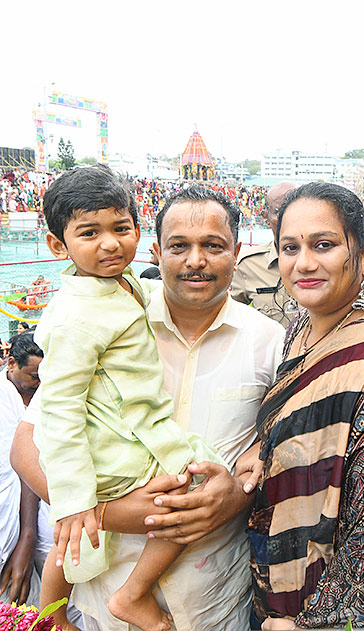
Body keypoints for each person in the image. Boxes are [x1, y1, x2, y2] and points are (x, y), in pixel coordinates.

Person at [12, 183, 284, 631]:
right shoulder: (109, 320)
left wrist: (234, 495)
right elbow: (27, 444)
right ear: (156, 251)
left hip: (214, 600)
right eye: (179, 246)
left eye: (213, 246)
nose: (195, 259)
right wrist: (107, 513)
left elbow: (272, 446)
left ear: (237, 250)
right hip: (104, 595)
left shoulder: (269, 342)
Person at [35, 166, 228, 631]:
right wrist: (75, 497)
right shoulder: (75, 315)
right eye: (89, 233)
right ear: (58, 245)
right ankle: (131, 595)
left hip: (126, 432)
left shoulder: (125, 286)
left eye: (120, 229)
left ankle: (50, 615)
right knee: (191, 492)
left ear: (139, 233)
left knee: (75, 538)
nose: (109, 244)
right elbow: (57, 408)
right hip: (116, 443)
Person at [247, 182, 364, 629]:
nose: (304, 263)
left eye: (324, 245)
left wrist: (307, 622)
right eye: (290, 247)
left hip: (325, 612)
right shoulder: (301, 326)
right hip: (272, 580)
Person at [0, 333, 43, 607]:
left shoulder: (44, 400)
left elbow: (27, 468)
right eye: (34, 376)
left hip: (31, 532)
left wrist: (27, 535)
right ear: (12, 363)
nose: (40, 385)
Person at [232, 181, 297, 326]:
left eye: (298, 210)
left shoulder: (323, 262)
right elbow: (232, 320)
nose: (290, 218)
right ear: (266, 218)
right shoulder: (249, 264)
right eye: (280, 212)